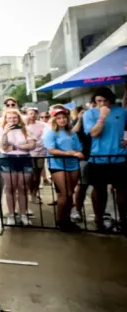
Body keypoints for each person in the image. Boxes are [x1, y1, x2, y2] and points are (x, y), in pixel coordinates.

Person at [82, 86, 127, 233]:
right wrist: (101, 117)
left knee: (122, 191)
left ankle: (123, 220)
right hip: (98, 159)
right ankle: (99, 219)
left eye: (104, 100)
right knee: (99, 191)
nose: (102, 103)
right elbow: (94, 133)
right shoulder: (89, 114)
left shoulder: (121, 112)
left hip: (119, 157)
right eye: (98, 101)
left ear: (110, 100)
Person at [42, 107, 83, 232]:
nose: (62, 120)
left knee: (70, 194)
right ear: (54, 120)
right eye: (58, 118)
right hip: (58, 165)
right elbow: (51, 150)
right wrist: (70, 153)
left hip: (73, 164)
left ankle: (67, 220)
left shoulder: (72, 133)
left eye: (64, 117)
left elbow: (78, 148)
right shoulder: (51, 133)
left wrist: (76, 153)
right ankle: (61, 221)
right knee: (64, 194)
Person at [0, 108, 36, 226]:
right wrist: (5, 133)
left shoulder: (25, 129)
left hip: (24, 159)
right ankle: (11, 215)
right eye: (9, 118)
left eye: (15, 117)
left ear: (18, 118)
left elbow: (32, 145)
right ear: (5, 119)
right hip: (8, 160)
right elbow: (3, 146)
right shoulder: (0, 129)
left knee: (23, 187)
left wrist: (16, 146)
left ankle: (23, 214)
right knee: (10, 187)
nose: (12, 120)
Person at [70, 104, 92, 223]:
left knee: (99, 187)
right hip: (84, 157)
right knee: (82, 185)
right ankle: (77, 210)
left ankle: (103, 214)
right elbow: (74, 132)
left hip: (97, 156)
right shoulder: (78, 122)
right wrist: (80, 119)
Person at [24, 107, 47, 207]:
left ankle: (34, 194)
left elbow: (46, 135)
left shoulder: (43, 125)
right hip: (28, 153)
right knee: (30, 175)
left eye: (34, 113)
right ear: (27, 114)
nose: (32, 115)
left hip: (41, 152)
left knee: (37, 174)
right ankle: (30, 192)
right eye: (30, 113)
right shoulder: (24, 126)